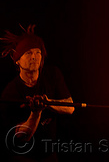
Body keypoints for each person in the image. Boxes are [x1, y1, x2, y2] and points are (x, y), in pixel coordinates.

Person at [1, 25, 74, 161]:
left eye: (38, 52)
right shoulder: (10, 92)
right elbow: (23, 136)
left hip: (50, 155)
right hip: (24, 157)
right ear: (17, 60)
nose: (34, 57)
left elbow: (70, 108)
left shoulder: (52, 75)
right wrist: (35, 113)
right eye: (28, 53)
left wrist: (47, 103)